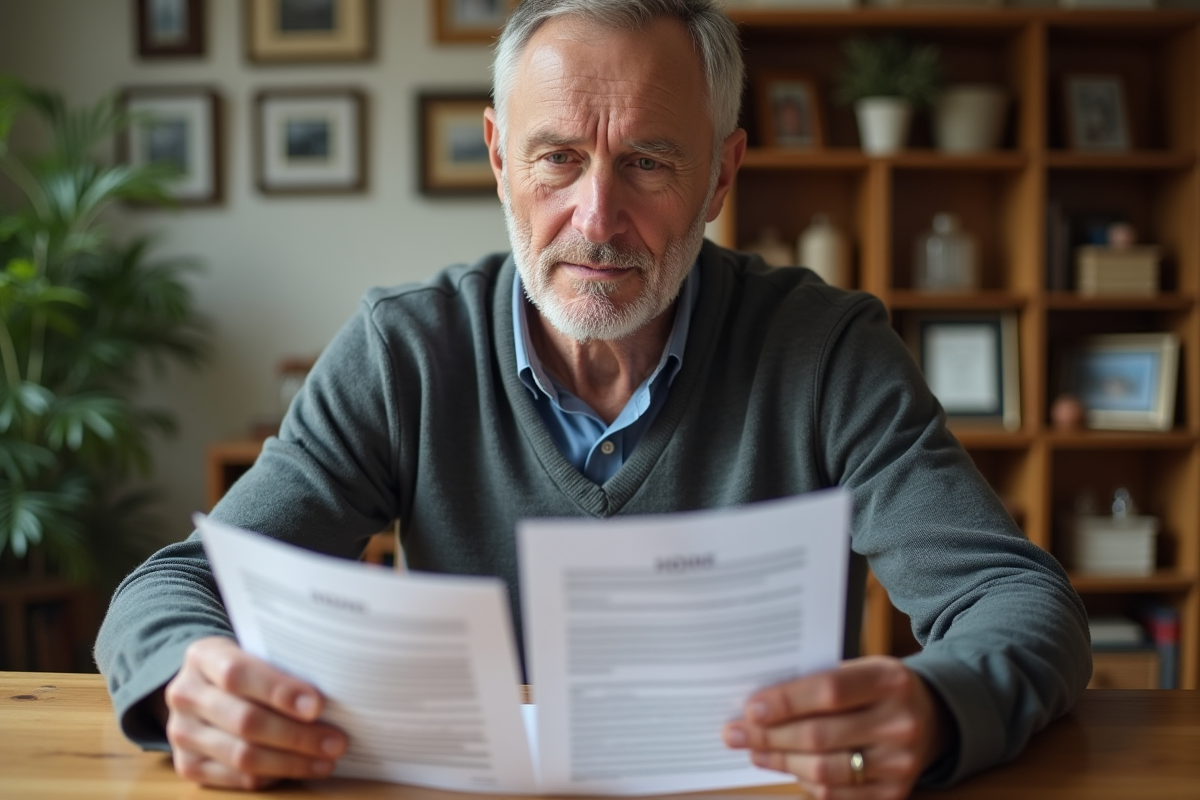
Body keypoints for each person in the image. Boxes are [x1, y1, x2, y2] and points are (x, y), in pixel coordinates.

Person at [96, 0, 1091, 795]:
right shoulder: (405, 349)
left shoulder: (828, 350)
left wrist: (938, 703)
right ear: (498, 159)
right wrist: (195, 679)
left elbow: (1022, 601)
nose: (597, 217)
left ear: (719, 175)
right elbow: (169, 588)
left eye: (649, 162)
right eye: (558, 157)